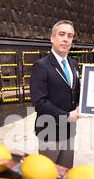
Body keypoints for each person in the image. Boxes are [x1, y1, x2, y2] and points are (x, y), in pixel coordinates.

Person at [30, 20, 80, 168]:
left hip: (70, 130)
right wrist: (66, 116)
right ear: (52, 38)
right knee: (47, 175)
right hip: (49, 130)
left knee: (65, 173)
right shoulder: (41, 66)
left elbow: (75, 92)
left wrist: (85, 104)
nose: (66, 39)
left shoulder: (73, 64)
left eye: (70, 36)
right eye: (62, 34)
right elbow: (39, 101)